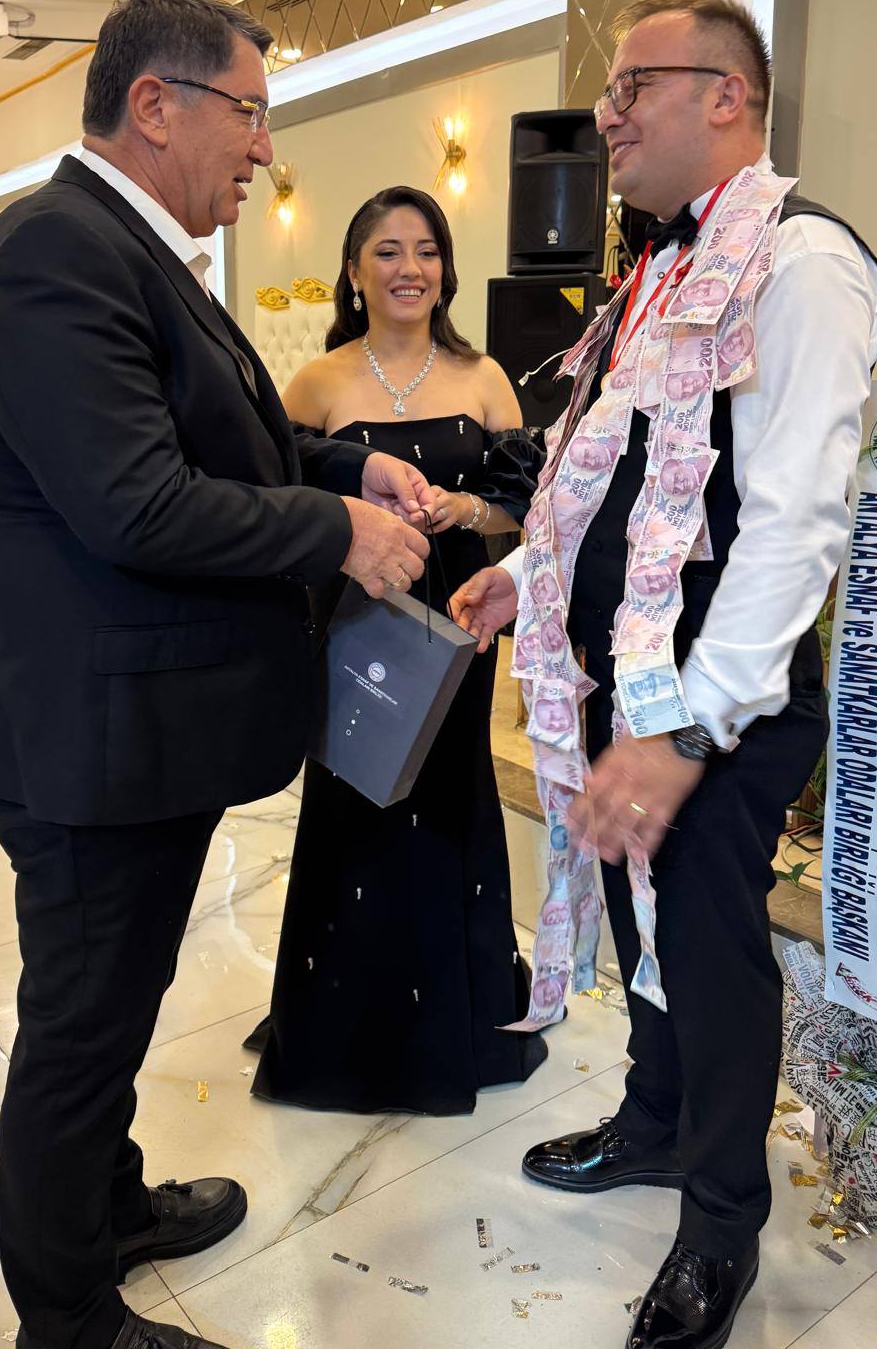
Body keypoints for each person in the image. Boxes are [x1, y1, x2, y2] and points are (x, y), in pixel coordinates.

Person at [0, 0, 434, 1349]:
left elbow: (219, 441)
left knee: (115, 1005)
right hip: (93, 744)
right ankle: (70, 1319)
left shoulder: (131, 250)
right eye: (250, 111)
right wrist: (336, 530)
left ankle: (105, 1209)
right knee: (81, 1030)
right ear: (154, 105)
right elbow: (135, 502)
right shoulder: (56, 254)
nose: (265, 147)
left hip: (138, 736)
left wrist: (342, 465)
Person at [451, 0, 877, 1349]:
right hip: (629, 690)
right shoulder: (652, 270)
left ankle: (721, 1223)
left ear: (728, 97)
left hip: (721, 706)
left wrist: (687, 730)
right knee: (639, 922)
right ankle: (652, 1124)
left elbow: (793, 524)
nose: (609, 114)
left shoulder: (800, 262)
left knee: (707, 948)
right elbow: (606, 474)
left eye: (635, 84)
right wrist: (524, 575)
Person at [245, 186, 548, 1114]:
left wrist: (467, 507)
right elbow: (277, 487)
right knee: (355, 795)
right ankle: (344, 1020)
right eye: (386, 251)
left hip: (456, 619)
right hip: (354, 620)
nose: (409, 268)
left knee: (448, 794)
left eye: (426, 251)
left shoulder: (485, 377)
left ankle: (456, 1011)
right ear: (353, 270)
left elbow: (525, 500)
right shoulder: (318, 382)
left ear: (446, 271)